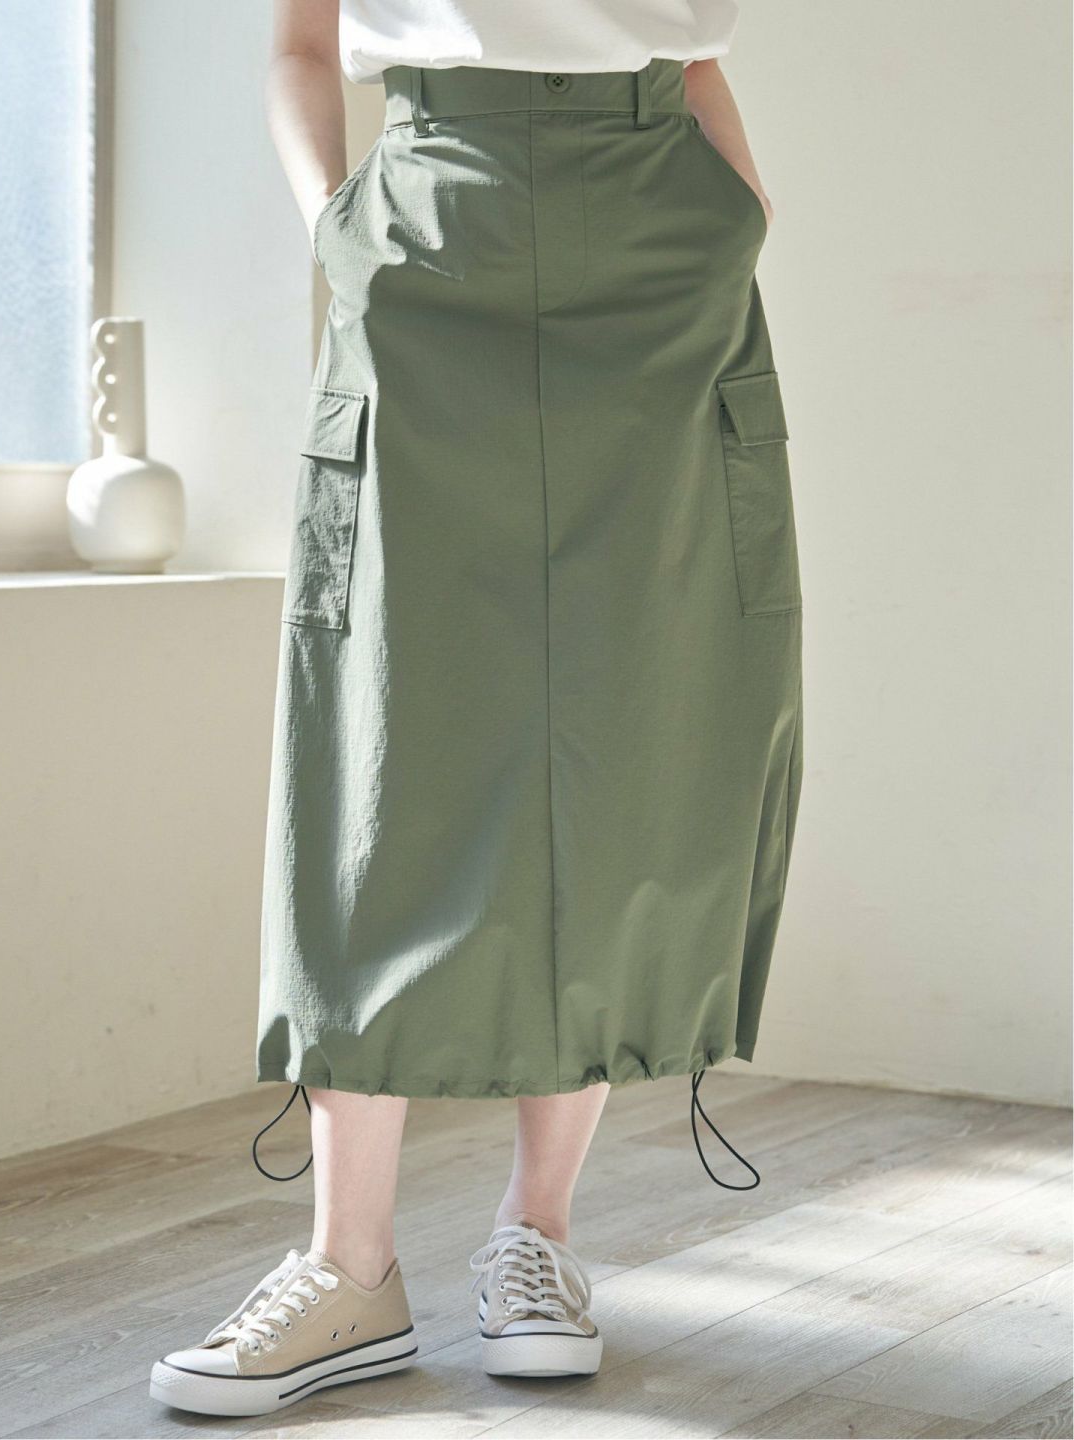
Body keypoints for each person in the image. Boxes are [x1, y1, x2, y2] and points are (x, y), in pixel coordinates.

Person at [151, 0, 803, 1418]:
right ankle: (349, 1266)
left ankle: (538, 1237)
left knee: (628, 722)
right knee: (382, 730)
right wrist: (337, 224)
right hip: (428, 214)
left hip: (658, 231)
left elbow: (691, 51)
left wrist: (737, 216)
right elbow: (301, 41)